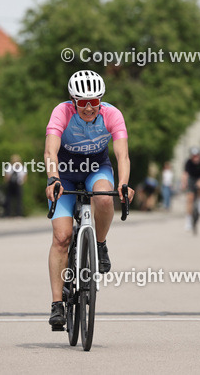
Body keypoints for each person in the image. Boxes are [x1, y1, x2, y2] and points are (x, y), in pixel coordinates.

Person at [45, 70, 132, 330]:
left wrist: (124, 184)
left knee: (105, 199)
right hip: (65, 172)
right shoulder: (61, 112)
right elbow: (50, 149)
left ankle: (100, 244)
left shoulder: (112, 114)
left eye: (94, 102)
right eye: (83, 102)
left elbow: (122, 155)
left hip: (97, 167)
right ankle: (57, 303)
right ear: (73, 101)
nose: (89, 108)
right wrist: (52, 178)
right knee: (61, 238)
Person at [181, 148, 200, 231]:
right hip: (191, 179)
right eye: (194, 156)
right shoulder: (188, 162)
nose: (195, 158)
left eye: (197, 156)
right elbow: (185, 174)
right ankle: (188, 221)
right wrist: (183, 183)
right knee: (189, 199)